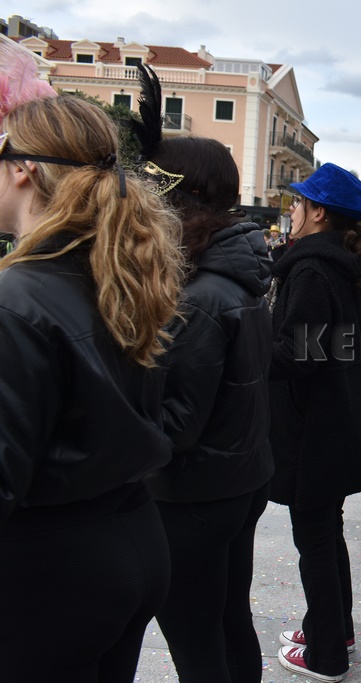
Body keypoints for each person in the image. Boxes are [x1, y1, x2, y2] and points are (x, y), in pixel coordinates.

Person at [0, 89, 183, 680]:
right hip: (128, 538)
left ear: (23, 168)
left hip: (50, 571)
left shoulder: (17, 297)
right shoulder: (113, 270)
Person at [135, 65, 274, 682]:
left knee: (196, 637)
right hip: (235, 478)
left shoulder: (202, 294)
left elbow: (178, 422)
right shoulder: (228, 277)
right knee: (227, 617)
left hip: (197, 492)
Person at [269, 163, 361, 682]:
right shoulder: (341, 263)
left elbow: (300, 355)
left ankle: (326, 656)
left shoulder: (313, 269)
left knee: (314, 539)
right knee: (325, 532)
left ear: (319, 213)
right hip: (336, 418)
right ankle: (334, 630)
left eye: (299, 203)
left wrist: (246, 345)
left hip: (314, 426)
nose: (293, 210)